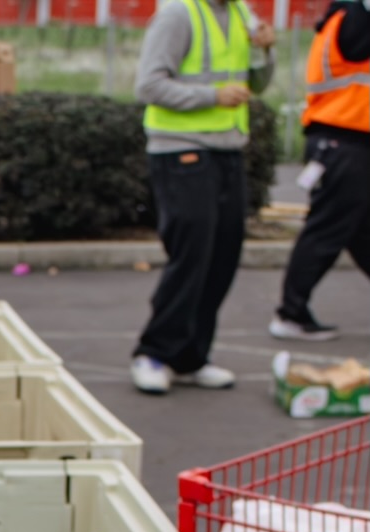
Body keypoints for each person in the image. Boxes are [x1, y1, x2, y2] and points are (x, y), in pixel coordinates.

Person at [131, 0, 276, 395]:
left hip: (228, 149)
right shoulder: (179, 14)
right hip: (181, 150)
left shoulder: (241, 13)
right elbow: (148, 84)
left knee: (222, 255)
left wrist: (265, 50)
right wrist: (212, 96)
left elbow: (255, 85)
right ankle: (155, 352)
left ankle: (192, 356)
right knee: (192, 253)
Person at [270, 0, 370, 341]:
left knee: (359, 232)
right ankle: (291, 313)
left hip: (346, 141)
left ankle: (292, 312)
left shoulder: (346, 16)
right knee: (328, 230)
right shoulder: (354, 18)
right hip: (344, 141)